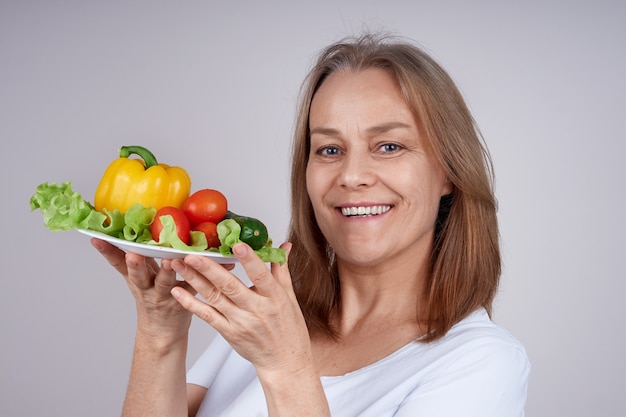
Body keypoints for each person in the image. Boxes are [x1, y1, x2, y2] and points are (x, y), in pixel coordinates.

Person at [92, 32, 530, 416]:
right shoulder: (269, 317)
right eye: (329, 150)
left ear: (449, 171)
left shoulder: (481, 363)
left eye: (390, 146)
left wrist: (286, 368)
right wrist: (160, 334)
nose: (352, 175)